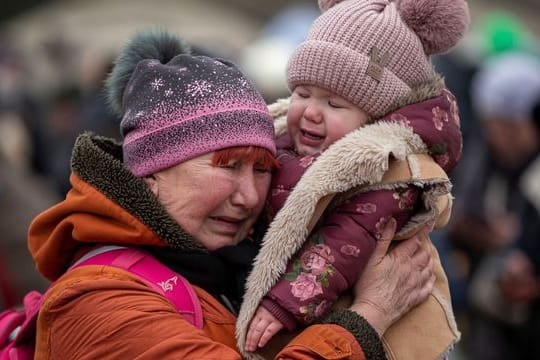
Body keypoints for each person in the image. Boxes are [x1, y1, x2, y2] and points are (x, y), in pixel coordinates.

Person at [26, 29, 436, 359]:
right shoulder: (98, 300)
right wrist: (369, 318)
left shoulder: (234, 263)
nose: (249, 197)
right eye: (228, 165)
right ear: (151, 173)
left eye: (262, 170)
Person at [236, 0, 469, 358]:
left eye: (335, 103)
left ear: (375, 117)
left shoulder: (389, 170)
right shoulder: (284, 138)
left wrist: (285, 304)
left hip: (376, 333)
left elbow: (346, 239)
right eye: (302, 93)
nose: (311, 111)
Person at [454, 51, 540, 360]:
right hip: (487, 315)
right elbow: (457, 214)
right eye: (493, 125)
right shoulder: (485, 159)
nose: (497, 137)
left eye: (507, 126)